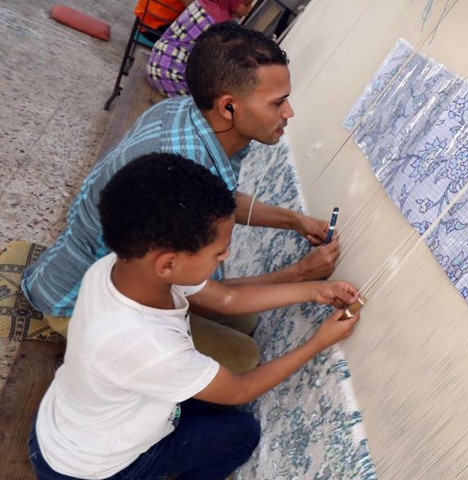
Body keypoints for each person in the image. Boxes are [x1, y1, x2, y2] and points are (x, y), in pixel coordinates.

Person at [22, 22, 338, 372]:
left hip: (128, 270)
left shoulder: (189, 115)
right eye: (278, 102)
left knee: (247, 321)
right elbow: (213, 299)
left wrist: (294, 221)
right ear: (229, 107)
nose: (288, 112)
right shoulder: (179, 167)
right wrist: (301, 275)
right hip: (78, 300)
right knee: (243, 358)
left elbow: (223, 199)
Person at [28, 153, 360, 480]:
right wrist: (319, 341)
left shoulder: (119, 269)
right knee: (241, 431)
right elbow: (241, 389)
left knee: (215, 406)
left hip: (64, 428)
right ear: (168, 263)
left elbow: (228, 298)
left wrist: (313, 289)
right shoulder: (148, 345)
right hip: (89, 469)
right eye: (218, 252)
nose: (226, 255)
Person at [147, 0, 255, 96]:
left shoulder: (203, 3)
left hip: (156, 62)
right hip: (171, 77)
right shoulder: (221, 26)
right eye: (246, 4)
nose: (249, 10)